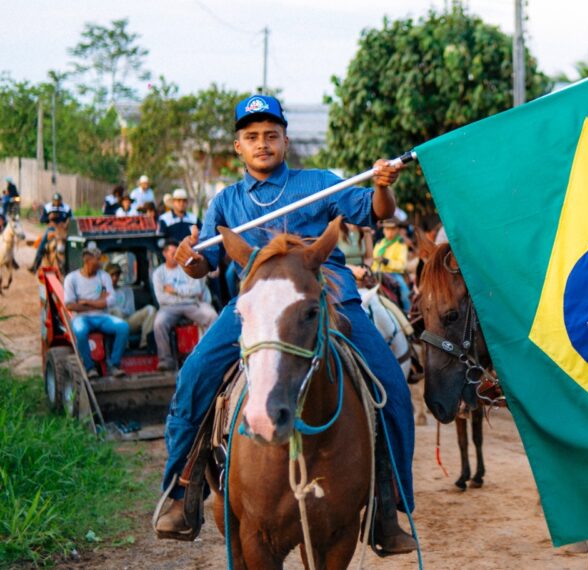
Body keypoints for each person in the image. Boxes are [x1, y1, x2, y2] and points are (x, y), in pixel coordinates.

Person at [153, 94, 416, 554]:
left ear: (286, 142)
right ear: (238, 146)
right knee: (194, 375)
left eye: (271, 135)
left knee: (392, 386)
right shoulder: (225, 201)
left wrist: (382, 185)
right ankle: (182, 490)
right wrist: (191, 259)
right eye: (252, 136)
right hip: (256, 304)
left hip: (327, 293)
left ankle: (389, 507)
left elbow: (377, 210)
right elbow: (204, 263)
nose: (262, 143)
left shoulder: (319, 182)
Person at [151, 241, 217, 372]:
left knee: (212, 316)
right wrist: (185, 293)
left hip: (192, 304)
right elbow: (161, 298)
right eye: (172, 253)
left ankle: (210, 354)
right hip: (169, 307)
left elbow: (196, 290)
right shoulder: (158, 273)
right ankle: (165, 360)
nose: (175, 256)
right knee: (159, 323)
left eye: (177, 253)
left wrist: (174, 291)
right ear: (164, 253)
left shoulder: (187, 267)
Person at [64, 246, 128, 379]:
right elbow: (70, 305)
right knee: (80, 331)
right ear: (87, 260)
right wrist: (99, 303)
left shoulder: (104, 276)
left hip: (102, 316)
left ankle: (114, 365)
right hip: (81, 318)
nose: (100, 262)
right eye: (97, 259)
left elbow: (111, 300)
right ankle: (89, 367)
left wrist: (86, 302)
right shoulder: (72, 278)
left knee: (123, 327)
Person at [106, 262, 157, 349]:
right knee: (116, 311)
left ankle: (145, 344)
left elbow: (130, 310)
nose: (115, 278)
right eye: (112, 275)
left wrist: (120, 312)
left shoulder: (126, 290)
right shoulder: (101, 292)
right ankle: (124, 346)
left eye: (117, 275)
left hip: (127, 321)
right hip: (110, 325)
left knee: (150, 309)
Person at [372, 218, 412, 314]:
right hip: (377, 273)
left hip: (393, 274)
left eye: (392, 229)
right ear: (383, 230)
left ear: (397, 230)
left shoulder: (401, 244)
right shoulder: (379, 243)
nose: (389, 232)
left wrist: (386, 261)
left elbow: (402, 265)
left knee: (405, 293)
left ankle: (408, 313)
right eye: (387, 229)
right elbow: (374, 258)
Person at [28, 208, 68, 273]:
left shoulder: (65, 209)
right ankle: (35, 266)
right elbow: (42, 220)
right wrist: (49, 218)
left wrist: (66, 223)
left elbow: (71, 218)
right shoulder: (48, 208)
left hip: (63, 231)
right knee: (42, 245)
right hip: (51, 230)